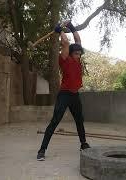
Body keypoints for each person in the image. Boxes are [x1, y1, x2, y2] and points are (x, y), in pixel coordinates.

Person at [37, 21, 90, 161]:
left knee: (79, 120)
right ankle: (42, 150)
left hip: (74, 95)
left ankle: (83, 144)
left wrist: (71, 27)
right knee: (55, 121)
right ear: (70, 53)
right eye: (76, 53)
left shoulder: (77, 59)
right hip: (64, 94)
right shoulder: (64, 59)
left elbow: (77, 40)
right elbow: (66, 43)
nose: (79, 55)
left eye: (79, 53)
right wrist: (60, 30)